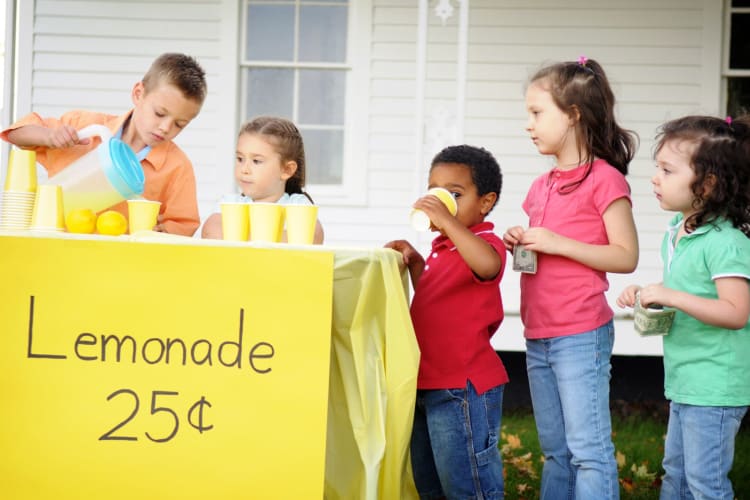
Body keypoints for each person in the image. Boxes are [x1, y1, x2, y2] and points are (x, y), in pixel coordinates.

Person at [502, 57, 639, 499]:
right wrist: (521, 241)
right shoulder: (541, 186)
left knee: (588, 450)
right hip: (538, 333)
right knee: (556, 451)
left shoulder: (605, 180)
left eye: (537, 113)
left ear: (574, 114)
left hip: (580, 334)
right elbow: (542, 255)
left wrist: (558, 242)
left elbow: (626, 255)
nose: (529, 124)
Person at [617, 115, 750, 500]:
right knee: (676, 474)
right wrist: (647, 294)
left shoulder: (726, 242)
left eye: (667, 170)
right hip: (686, 379)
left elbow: (735, 312)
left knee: (705, 483)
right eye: (657, 168)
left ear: (707, 184)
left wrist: (670, 296)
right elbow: (689, 292)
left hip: (716, 385)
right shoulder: (679, 230)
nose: (655, 178)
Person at [385, 144, 507, 500]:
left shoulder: (485, 242)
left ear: (485, 202)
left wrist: (449, 221)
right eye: (435, 192)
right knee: (430, 482)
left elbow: (487, 266)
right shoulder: (443, 249)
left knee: (467, 483)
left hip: (462, 387)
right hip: (427, 382)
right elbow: (435, 298)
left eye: (454, 194)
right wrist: (416, 260)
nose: (441, 201)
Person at [1, 52, 207, 236]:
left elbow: (183, 225)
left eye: (179, 124)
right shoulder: (83, 126)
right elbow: (16, 134)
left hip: (121, 266)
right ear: (138, 94)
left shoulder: (178, 167)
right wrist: (49, 136)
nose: (165, 127)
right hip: (58, 251)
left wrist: (163, 232)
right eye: (159, 113)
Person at [201, 116, 324, 243]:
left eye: (256, 161)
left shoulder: (297, 205)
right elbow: (210, 233)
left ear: (287, 170)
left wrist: (242, 237)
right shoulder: (231, 203)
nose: (244, 169)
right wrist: (280, 239)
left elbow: (313, 237)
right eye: (240, 159)